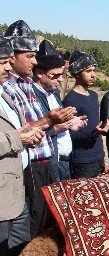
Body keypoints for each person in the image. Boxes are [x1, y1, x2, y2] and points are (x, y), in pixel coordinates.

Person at [2, 20, 75, 237]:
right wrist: (50, 121)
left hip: (45, 163)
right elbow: (19, 133)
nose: (34, 62)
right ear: (12, 57)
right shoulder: (8, 87)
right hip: (26, 169)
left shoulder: (26, 85)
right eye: (30, 56)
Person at [0, 36, 46, 256]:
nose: (7, 67)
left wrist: (29, 134)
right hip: (2, 199)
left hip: (16, 196)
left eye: (7, 61)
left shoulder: (4, 94)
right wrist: (18, 138)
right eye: (1, 63)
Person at [32, 40, 86, 181]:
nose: (60, 80)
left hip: (64, 162)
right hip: (48, 165)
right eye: (54, 76)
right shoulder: (31, 97)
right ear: (38, 73)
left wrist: (71, 123)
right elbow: (28, 132)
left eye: (62, 74)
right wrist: (55, 129)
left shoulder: (53, 93)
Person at [63, 50, 109, 179]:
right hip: (82, 161)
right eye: (88, 71)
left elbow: (95, 124)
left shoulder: (93, 95)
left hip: (98, 156)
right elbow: (70, 134)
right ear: (77, 73)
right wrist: (95, 133)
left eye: (94, 70)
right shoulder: (71, 99)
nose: (93, 75)